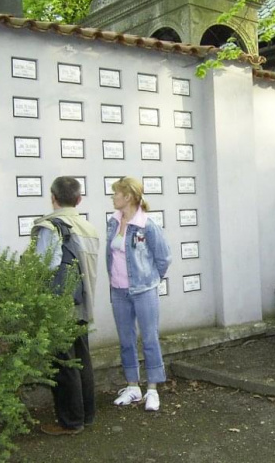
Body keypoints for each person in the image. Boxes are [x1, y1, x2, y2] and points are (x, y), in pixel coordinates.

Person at [31, 176, 99, 436]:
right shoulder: (89, 227)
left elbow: (43, 266)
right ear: (79, 199)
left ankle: (70, 422)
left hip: (59, 305)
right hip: (84, 304)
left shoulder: (52, 227)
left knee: (63, 363)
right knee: (82, 359)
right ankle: (87, 414)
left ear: (53, 197)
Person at [106, 177, 171, 412]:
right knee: (126, 341)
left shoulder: (147, 225)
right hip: (119, 291)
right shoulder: (112, 223)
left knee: (150, 339)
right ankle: (133, 386)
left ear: (129, 197)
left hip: (144, 291)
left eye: (116, 193)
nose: (113, 197)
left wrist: (149, 280)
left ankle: (152, 390)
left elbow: (163, 258)